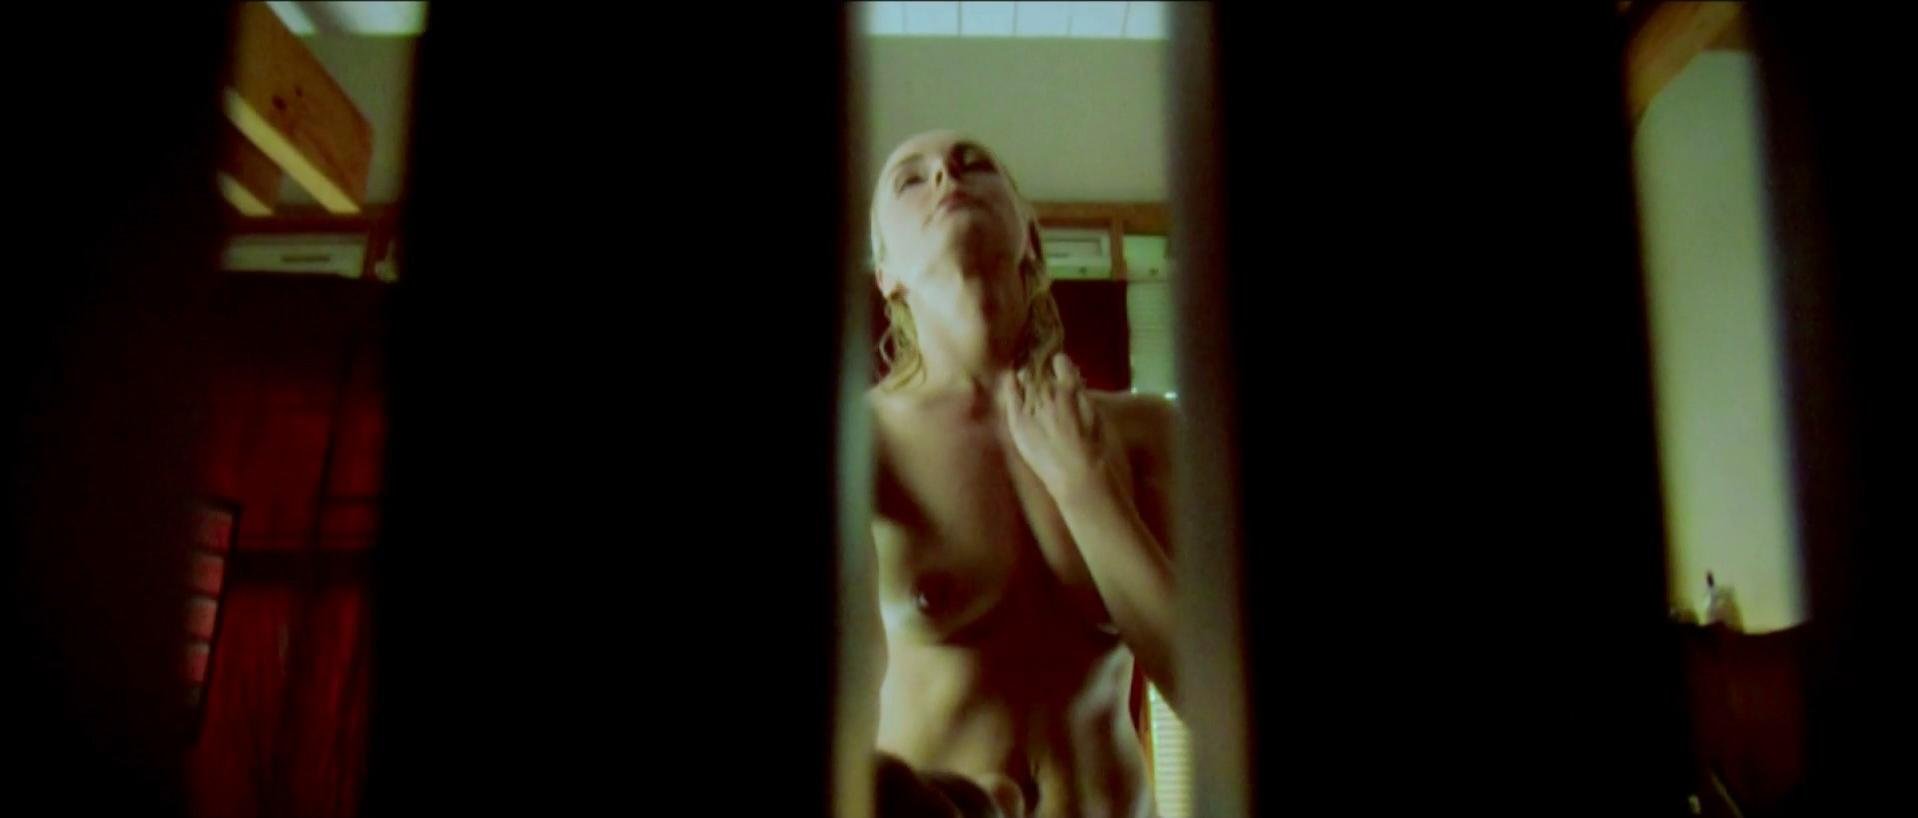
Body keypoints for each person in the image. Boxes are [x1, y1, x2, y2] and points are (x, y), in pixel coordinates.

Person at [863, 131, 1178, 818]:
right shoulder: (863, 445)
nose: (946, 176)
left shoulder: (1143, 433)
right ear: (886, 273)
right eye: (911, 179)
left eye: (972, 165)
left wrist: (1086, 487)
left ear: (1030, 235)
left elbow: (1213, 693)